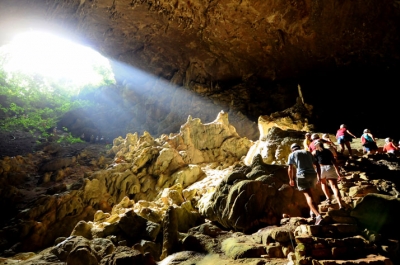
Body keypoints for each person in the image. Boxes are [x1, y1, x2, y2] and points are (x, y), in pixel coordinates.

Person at [287, 143, 323, 225]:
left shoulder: (292, 154)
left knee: (308, 196)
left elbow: (290, 168)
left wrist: (291, 179)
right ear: (299, 147)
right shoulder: (307, 153)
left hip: (302, 175)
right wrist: (318, 176)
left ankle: (318, 216)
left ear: (292, 149)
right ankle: (312, 213)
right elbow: (317, 164)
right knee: (311, 194)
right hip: (312, 174)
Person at [312, 141, 344, 209]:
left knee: (323, 184)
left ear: (316, 146)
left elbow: (314, 164)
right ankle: (340, 204)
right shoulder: (328, 151)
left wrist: (317, 175)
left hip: (321, 169)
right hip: (330, 167)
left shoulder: (314, 152)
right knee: (334, 187)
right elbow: (334, 162)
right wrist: (338, 173)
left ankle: (328, 198)